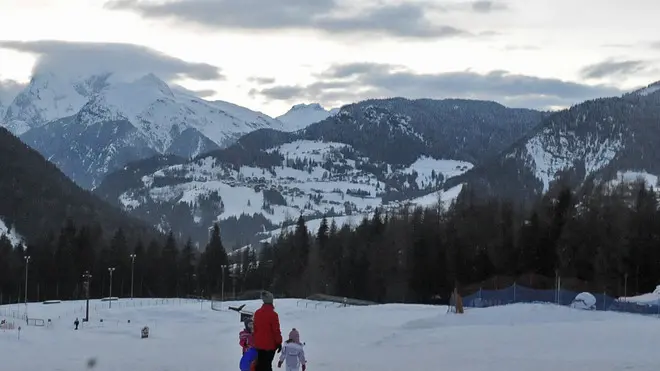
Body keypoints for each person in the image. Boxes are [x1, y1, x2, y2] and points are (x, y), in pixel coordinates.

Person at [252, 290, 282, 371]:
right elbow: (276, 331)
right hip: (269, 345)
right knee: (267, 365)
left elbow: (254, 329)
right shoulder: (273, 315)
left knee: (260, 365)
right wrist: (279, 342)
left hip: (258, 344)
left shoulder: (257, 313)